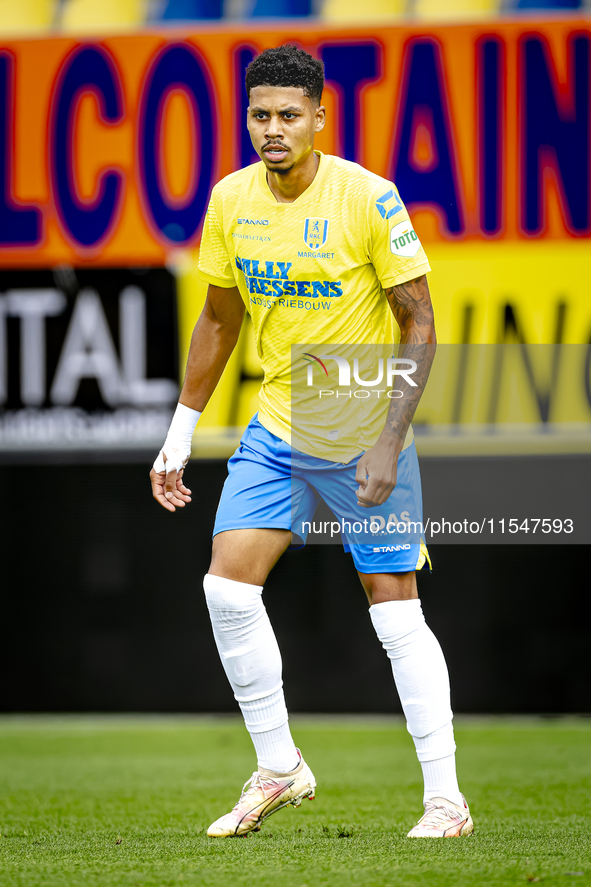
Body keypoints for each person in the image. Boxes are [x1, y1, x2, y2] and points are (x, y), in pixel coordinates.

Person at [150, 44, 473, 839]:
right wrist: (178, 435)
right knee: (226, 588)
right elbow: (220, 320)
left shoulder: (367, 197)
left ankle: (446, 801)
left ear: (320, 118)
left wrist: (390, 440)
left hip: (365, 424)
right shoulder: (230, 201)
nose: (272, 128)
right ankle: (279, 766)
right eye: (260, 114)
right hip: (279, 426)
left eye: (288, 114)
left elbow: (420, 323)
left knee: (395, 613)